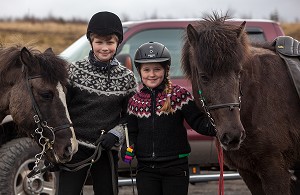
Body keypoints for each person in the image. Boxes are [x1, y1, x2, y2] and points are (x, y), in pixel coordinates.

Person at [121, 42, 216, 195]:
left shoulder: (180, 95)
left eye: (157, 69)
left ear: (166, 70)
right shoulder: (135, 101)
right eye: (146, 70)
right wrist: (128, 147)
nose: (152, 74)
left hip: (175, 168)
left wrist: (218, 128)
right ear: (139, 71)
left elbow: (198, 121)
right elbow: (131, 132)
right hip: (146, 170)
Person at [58, 11, 137, 195]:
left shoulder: (127, 78)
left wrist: (116, 134)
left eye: (109, 42)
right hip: (75, 149)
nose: (104, 48)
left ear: (118, 43)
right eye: (99, 42)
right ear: (91, 42)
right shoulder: (74, 71)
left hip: (106, 150)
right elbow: (61, 111)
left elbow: (131, 116)